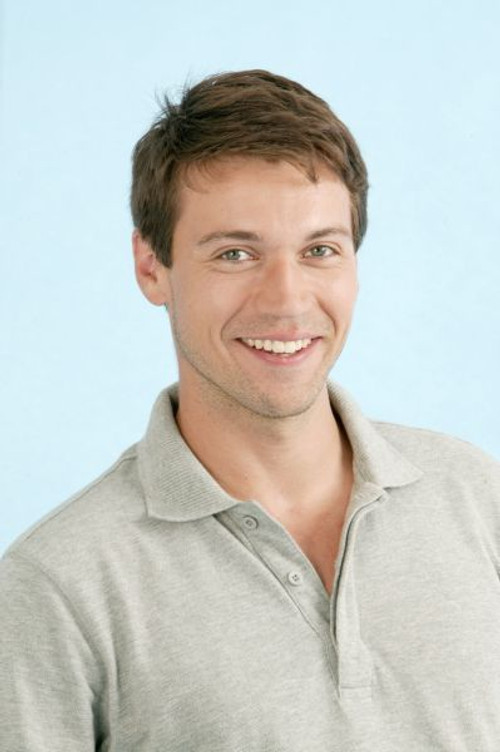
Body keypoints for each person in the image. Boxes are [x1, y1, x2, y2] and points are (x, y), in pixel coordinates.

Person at [1, 69, 499, 752]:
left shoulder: (477, 498)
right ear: (151, 267)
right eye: (235, 254)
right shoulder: (57, 586)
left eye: (320, 250)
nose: (287, 300)